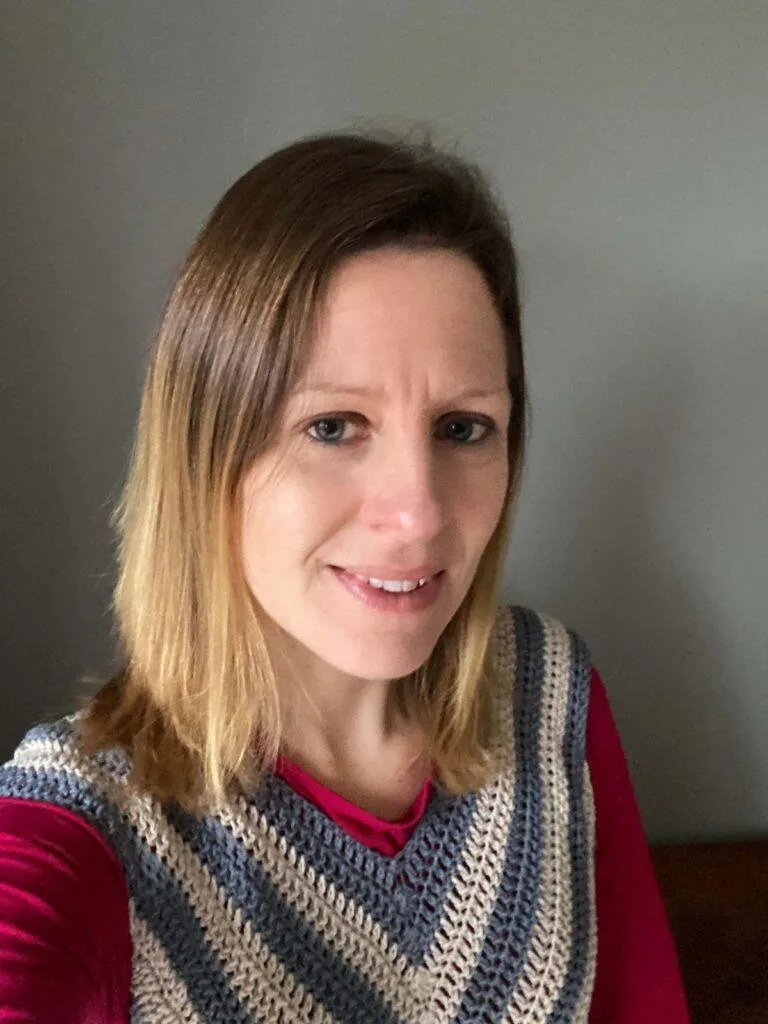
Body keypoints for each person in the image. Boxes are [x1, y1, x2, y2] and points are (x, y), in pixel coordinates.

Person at [0, 132, 689, 1023]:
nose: (420, 515)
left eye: (462, 428)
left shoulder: (548, 691)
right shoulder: (88, 822)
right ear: (205, 454)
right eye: (332, 427)